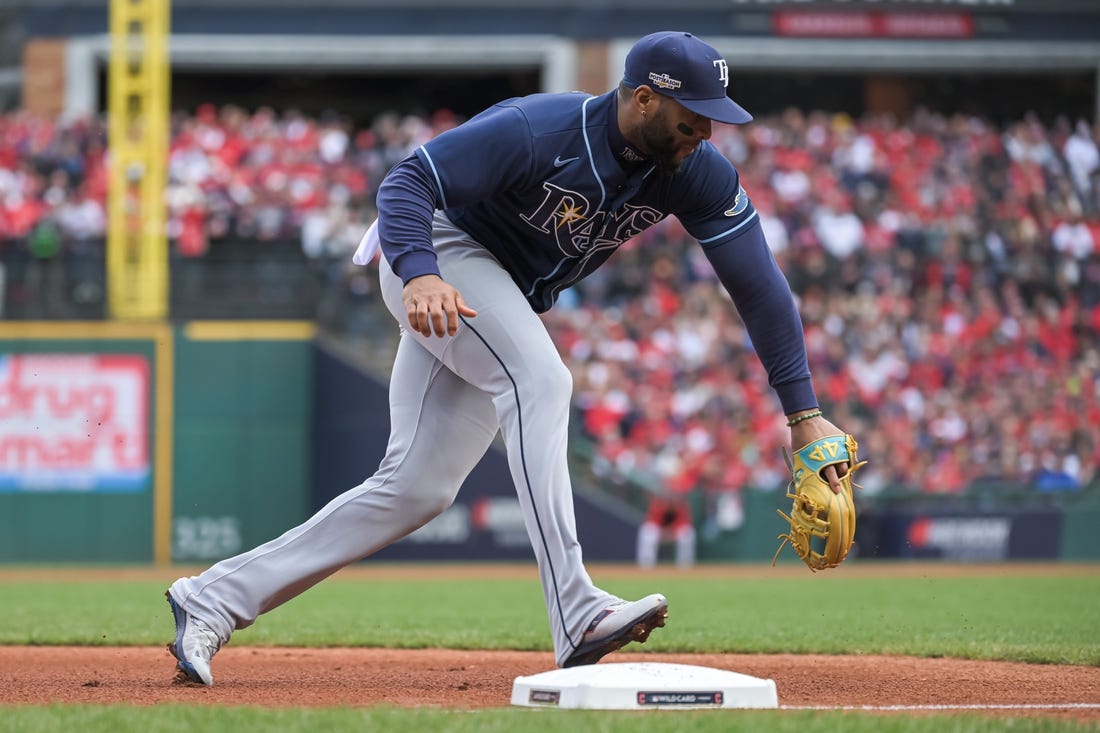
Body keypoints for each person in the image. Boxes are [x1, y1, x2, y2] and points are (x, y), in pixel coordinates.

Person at [165, 30, 850, 686]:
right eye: (692, 115)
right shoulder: (540, 128)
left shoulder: (693, 171)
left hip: (494, 293)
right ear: (644, 99)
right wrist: (421, 274)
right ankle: (576, 609)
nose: (705, 130)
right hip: (435, 250)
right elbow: (406, 183)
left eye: (713, 117)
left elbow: (759, 285)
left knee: (416, 489)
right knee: (541, 381)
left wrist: (804, 414)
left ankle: (211, 599)